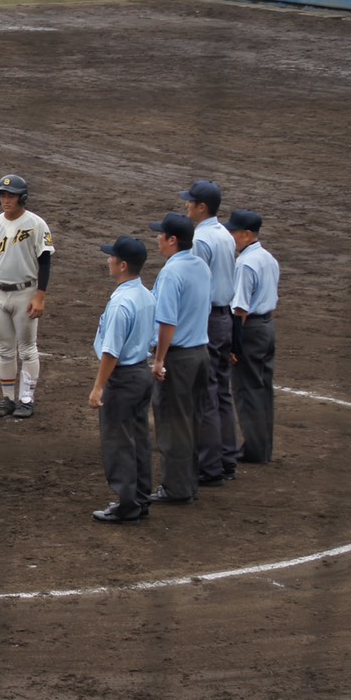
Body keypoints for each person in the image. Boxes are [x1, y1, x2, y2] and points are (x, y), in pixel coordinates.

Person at [0, 174, 54, 419]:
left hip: (25, 293)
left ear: (23, 198)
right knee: (4, 349)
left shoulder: (37, 224)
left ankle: (27, 398)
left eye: (12, 196)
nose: (6, 200)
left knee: (28, 349)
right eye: (3, 195)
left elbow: (45, 262)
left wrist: (40, 296)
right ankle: (8, 398)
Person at [88, 236, 157, 524]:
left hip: (124, 378)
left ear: (123, 264)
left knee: (118, 442)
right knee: (138, 439)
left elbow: (111, 352)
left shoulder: (121, 303)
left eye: (112, 257)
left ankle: (127, 504)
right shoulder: (146, 295)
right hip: (141, 372)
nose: (108, 260)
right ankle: (140, 498)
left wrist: (98, 386)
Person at [148, 212, 211, 505]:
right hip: (201, 354)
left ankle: (176, 488)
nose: (157, 239)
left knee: (172, 423)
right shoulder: (201, 266)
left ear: (172, 240)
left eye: (160, 234)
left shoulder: (171, 273)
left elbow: (167, 322)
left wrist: (159, 360)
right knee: (192, 420)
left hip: (180, 358)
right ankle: (189, 483)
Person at [181, 180, 241, 485]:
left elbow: (198, 286)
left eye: (190, 202)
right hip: (226, 316)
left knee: (205, 392)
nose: (186, 205)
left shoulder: (200, 240)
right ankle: (227, 457)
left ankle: (209, 466)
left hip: (208, 319)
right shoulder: (224, 234)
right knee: (221, 390)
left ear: (202, 207)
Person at [226, 210, 279, 465]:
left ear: (247, 235)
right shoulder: (268, 257)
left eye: (233, 233)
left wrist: (234, 344)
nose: (230, 237)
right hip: (267, 327)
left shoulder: (245, 263)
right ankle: (263, 447)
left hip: (250, 330)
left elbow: (240, 309)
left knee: (246, 390)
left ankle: (255, 451)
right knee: (262, 388)